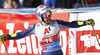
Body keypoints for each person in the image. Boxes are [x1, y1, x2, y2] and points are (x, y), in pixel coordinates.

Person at [0, 5, 95, 55]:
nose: (48, 17)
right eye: (45, 15)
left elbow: (72, 24)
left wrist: (85, 22)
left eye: (49, 13)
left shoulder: (57, 23)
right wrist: (7, 37)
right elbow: (21, 34)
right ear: (40, 17)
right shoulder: (36, 27)